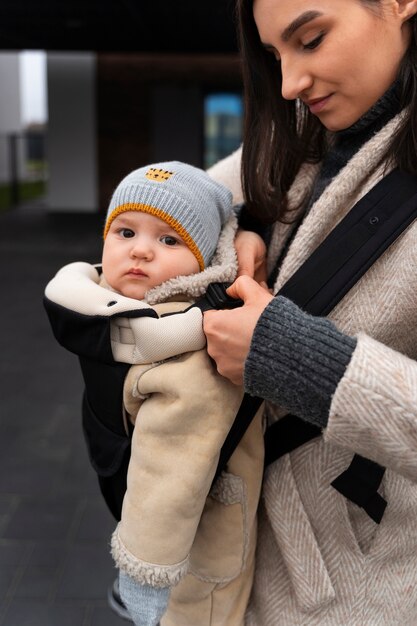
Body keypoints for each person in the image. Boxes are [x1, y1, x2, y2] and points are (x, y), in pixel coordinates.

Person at [201, 0, 417, 624]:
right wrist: (234, 229)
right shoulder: (302, 135)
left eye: (312, 39)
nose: (290, 83)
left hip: (363, 589)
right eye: (275, 56)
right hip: (237, 561)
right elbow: (171, 200)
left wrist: (296, 360)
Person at [44, 162, 264, 626]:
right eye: (125, 232)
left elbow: (170, 474)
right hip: (131, 489)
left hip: (199, 521)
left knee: (198, 611)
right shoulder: (115, 309)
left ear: (204, 261)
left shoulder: (192, 356)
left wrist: (144, 574)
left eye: (168, 240)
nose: (140, 251)